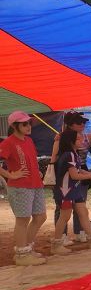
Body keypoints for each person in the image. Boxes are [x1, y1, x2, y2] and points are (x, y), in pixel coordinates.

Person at [50, 130, 91, 255]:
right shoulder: (69, 155)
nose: (82, 141)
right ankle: (56, 244)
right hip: (65, 191)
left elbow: (79, 171)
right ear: (71, 141)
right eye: (79, 139)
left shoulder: (73, 153)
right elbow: (74, 175)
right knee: (64, 216)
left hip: (73, 189)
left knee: (83, 212)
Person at [0, 111, 48, 265]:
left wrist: (37, 170)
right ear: (15, 126)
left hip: (35, 184)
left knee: (40, 217)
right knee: (22, 219)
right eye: (24, 124)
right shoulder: (8, 142)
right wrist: (10, 175)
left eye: (29, 123)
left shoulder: (29, 141)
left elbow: (30, 159)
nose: (28, 126)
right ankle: (22, 254)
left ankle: (27, 249)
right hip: (20, 186)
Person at [50, 111, 91, 244]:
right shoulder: (62, 139)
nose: (83, 124)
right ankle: (60, 237)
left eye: (83, 122)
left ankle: (81, 232)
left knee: (81, 206)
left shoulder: (82, 137)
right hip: (65, 179)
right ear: (70, 125)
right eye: (79, 122)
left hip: (79, 174)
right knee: (63, 210)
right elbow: (54, 158)